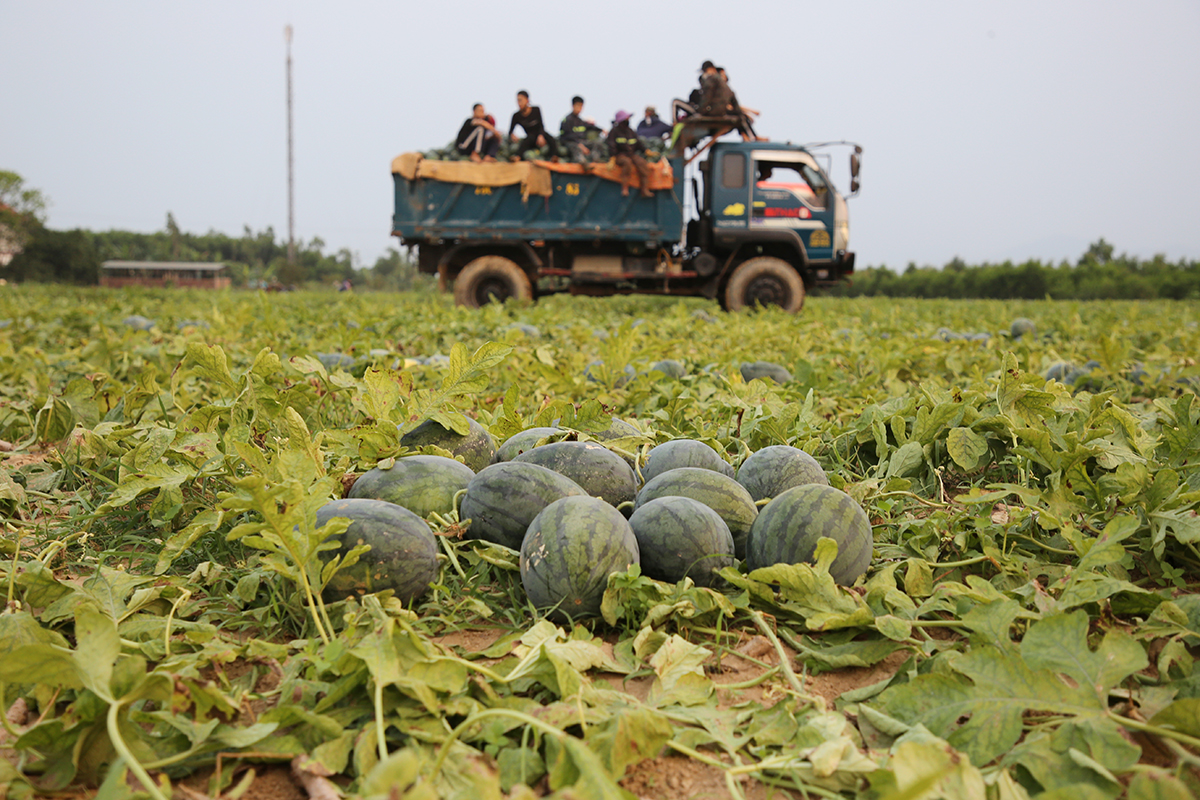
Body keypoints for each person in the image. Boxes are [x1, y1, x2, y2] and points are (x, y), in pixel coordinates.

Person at [607, 110, 652, 198]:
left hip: (631, 154)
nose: (628, 120)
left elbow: (638, 143)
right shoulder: (614, 131)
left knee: (642, 163)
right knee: (627, 163)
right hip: (620, 155)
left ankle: (645, 189)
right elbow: (611, 145)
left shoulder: (630, 131)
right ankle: (625, 188)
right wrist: (612, 157)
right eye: (626, 118)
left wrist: (646, 151)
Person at [509, 90, 560, 162]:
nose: (519, 103)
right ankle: (517, 157)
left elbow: (541, 125)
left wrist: (541, 135)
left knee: (551, 140)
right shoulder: (516, 116)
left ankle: (554, 157)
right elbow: (510, 131)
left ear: (527, 100)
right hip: (530, 137)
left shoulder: (536, 110)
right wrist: (512, 135)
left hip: (540, 134)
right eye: (517, 101)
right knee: (526, 141)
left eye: (521, 100)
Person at [717, 67, 762, 141]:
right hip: (720, 112)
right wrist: (749, 112)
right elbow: (728, 106)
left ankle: (747, 135)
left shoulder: (726, 89)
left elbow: (734, 105)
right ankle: (746, 135)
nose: (724, 76)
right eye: (722, 75)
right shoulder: (718, 89)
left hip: (728, 111)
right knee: (740, 116)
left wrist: (751, 111)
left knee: (741, 116)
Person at [560, 95, 603, 159]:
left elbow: (589, 126)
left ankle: (594, 160)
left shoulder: (580, 121)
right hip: (571, 143)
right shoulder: (567, 120)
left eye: (581, 106)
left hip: (582, 141)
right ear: (573, 106)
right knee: (576, 148)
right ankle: (581, 162)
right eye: (578, 105)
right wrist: (580, 145)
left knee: (597, 144)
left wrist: (602, 130)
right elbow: (568, 137)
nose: (579, 108)